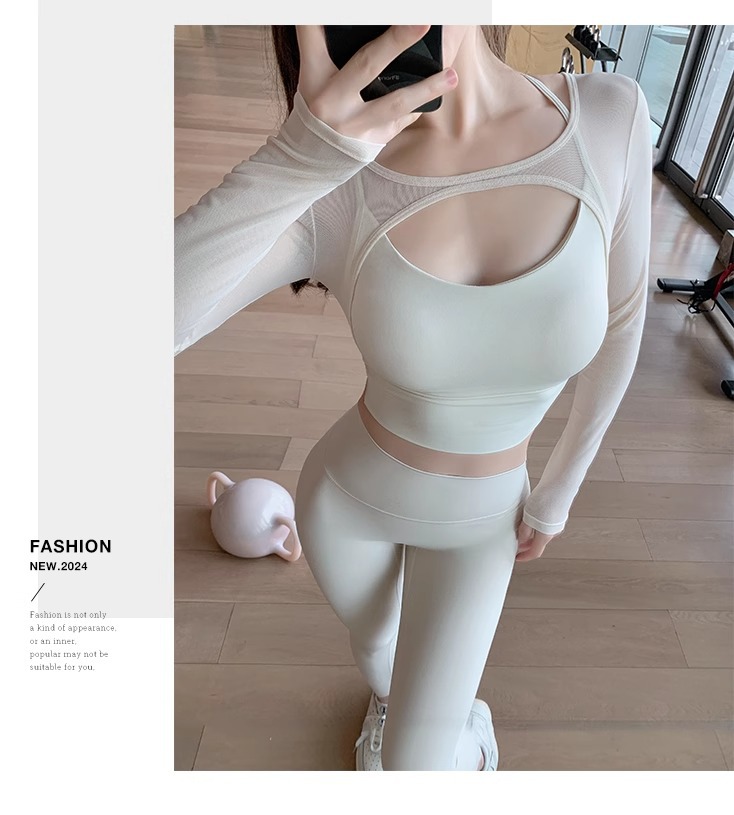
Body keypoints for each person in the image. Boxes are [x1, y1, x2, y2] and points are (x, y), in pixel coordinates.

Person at [175, 25, 652, 771]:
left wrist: (559, 490)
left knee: (414, 767)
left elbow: (623, 320)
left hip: (484, 523)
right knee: (380, 656)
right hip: (348, 504)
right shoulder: (333, 179)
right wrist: (300, 159)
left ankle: (458, 727)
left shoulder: (610, 116)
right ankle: (394, 701)